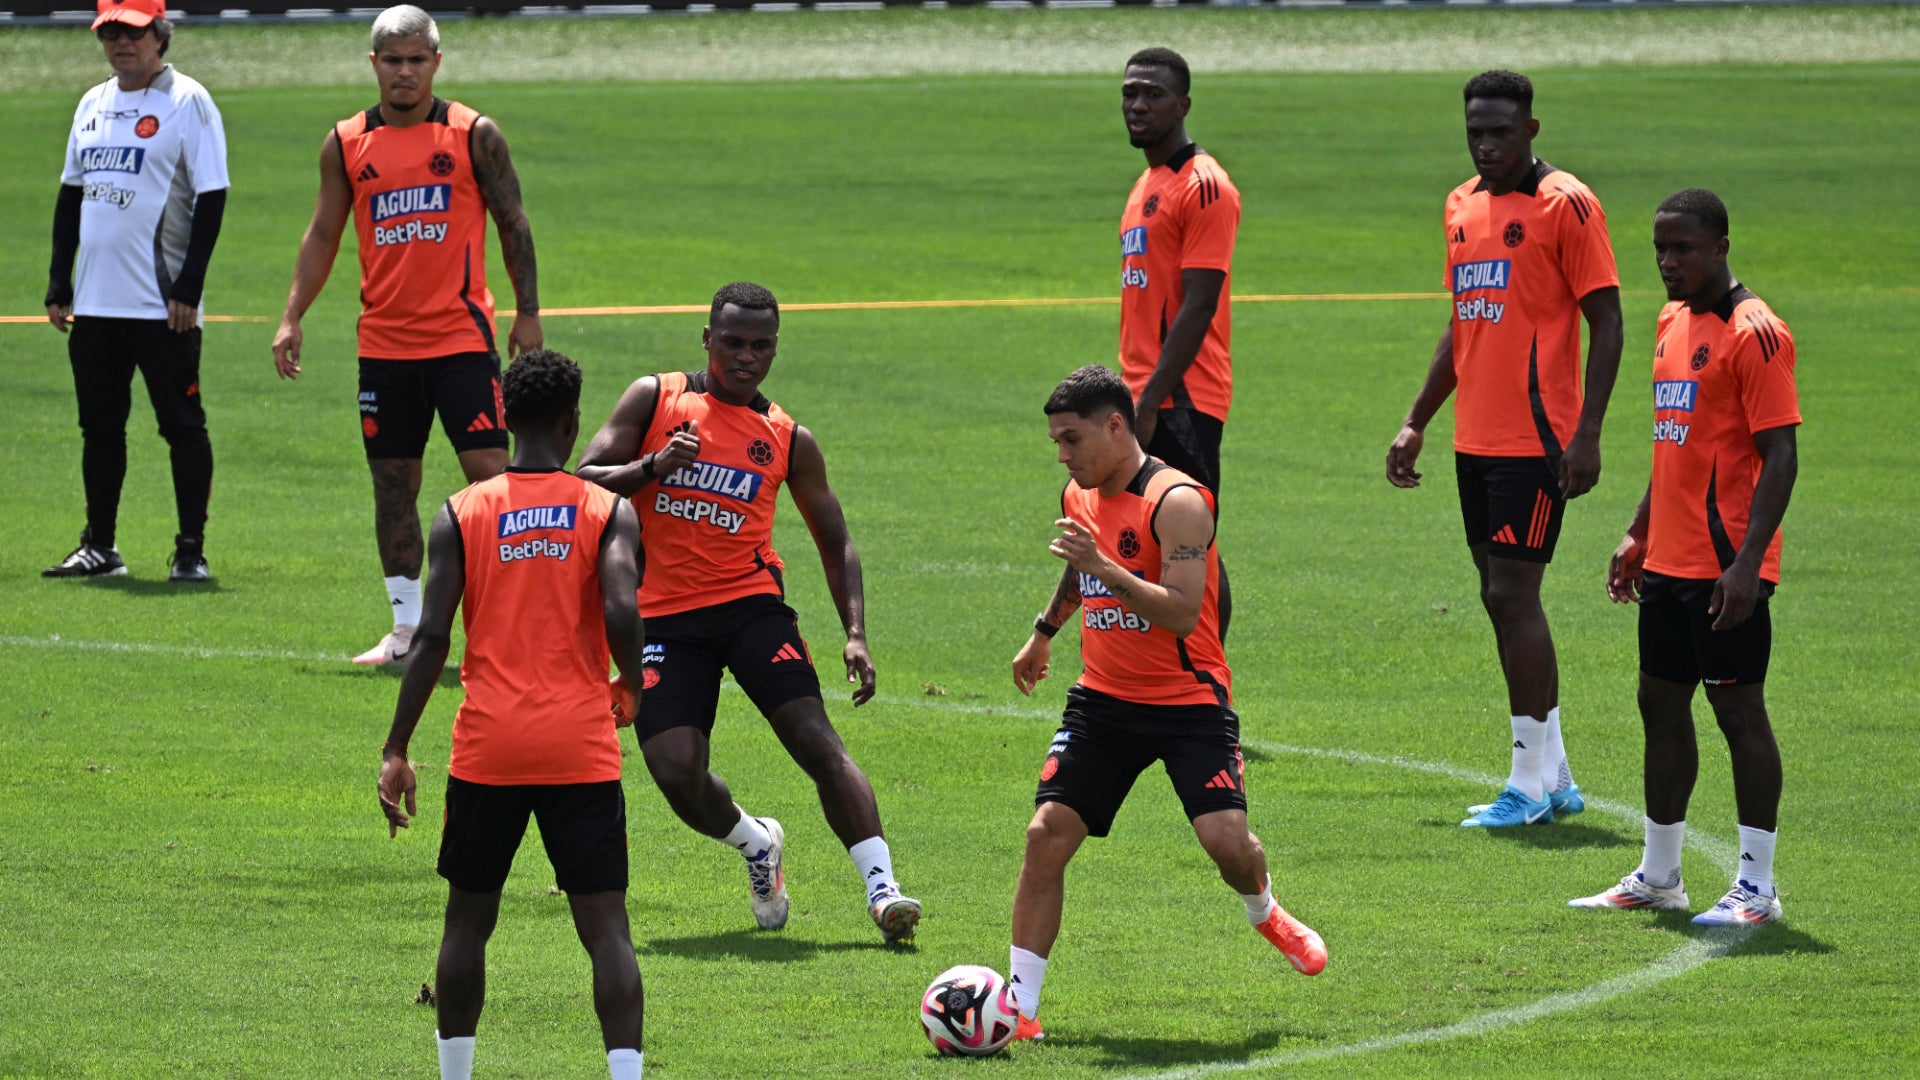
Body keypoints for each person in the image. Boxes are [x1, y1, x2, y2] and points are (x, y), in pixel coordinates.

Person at [575, 282, 920, 944]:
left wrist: (856, 634)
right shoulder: (657, 397)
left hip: (749, 606)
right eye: (732, 342)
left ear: (775, 350)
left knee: (815, 740)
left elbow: (835, 538)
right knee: (676, 771)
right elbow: (584, 476)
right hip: (664, 620)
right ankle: (756, 842)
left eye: (761, 346)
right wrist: (653, 464)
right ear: (707, 339)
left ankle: (884, 890)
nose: (746, 357)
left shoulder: (786, 437)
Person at [1004, 365, 1325, 1043]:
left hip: (1189, 705)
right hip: (1103, 704)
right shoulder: (1081, 487)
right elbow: (1077, 564)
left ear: (1115, 426)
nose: (1062, 455)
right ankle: (1020, 1011)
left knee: (1226, 844)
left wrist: (1107, 569)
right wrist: (1042, 633)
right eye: (1056, 442)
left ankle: (1264, 909)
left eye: (1071, 438)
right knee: (1045, 837)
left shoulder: (1179, 502)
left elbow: (1181, 613)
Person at [377, 348, 647, 1080]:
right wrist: (633, 679)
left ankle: (455, 1075)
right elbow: (623, 607)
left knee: (468, 921)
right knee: (605, 930)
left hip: (488, 746)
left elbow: (431, 639)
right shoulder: (607, 510)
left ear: (502, 416)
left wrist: (396, 747)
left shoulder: (462, 512)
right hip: (578, 745)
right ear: (571, 422)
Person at [1384, 70, 1623, 827]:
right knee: (1499, 596)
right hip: (1476, 439)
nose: (1486, 145)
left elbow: (1608, 322)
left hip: (1537, 439)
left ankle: (1525, 784)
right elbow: (1464, 324)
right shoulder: (1461, 206)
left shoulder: (1566, 205)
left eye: (1500, 132)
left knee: (1510, 596)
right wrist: (1419, 419)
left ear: (1531, 130)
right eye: (1475, 133)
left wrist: (1587, 433)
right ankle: (1554, 776)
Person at [271, 4, 542, 664]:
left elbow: (514, 223)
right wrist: (291, 314)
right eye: (392, 60)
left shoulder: (473, 133)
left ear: (436, 63)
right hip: (384, 350)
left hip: (461, 342)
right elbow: (323, 234)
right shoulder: (346, 143)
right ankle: (407, 630)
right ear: (373, 65)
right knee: (394, 486)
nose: (404, 72)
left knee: (493, 484)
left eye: (417, 60)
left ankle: (505, 627)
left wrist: (527, 313)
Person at [1571, 190, 1799, 926]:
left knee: (1739, 711)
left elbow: (1782, 455)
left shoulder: (1755, 333)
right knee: (1659, 704)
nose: (1668, 262)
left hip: (1726, 564)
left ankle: (1757, 888)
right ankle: (1661, 874)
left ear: (1722, 245)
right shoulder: (1673, 321)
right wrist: (1639, 532)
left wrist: (1748, 566)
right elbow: (1677, 442)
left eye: (1684, 249)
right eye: (1660, 249)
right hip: (1668, 560)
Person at [43, 0, 227, 582]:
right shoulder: (92, 103)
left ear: (159, 35)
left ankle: (190, 551)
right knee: (99, 428)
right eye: (111, 33)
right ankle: (100, 546)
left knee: (181, 426)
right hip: (96, 304)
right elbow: (71, 194)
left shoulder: (188, 101)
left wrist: (189, 287)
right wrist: (58, 280)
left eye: (134, 32)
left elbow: (211, 195)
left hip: (161, 303)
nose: (122, 43)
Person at [1116, 46, 1240, 635]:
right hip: (1142, 395)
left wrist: (1148, 401)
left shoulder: (1206, 186)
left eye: (1153, 95)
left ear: (1183, 104)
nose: (1138, 105)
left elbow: (1199, 304)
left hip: (1182, 399)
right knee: (1151, 538)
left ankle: (1211, 690)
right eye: (1130, 93)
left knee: (1196, 548)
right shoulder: (1145, 183)